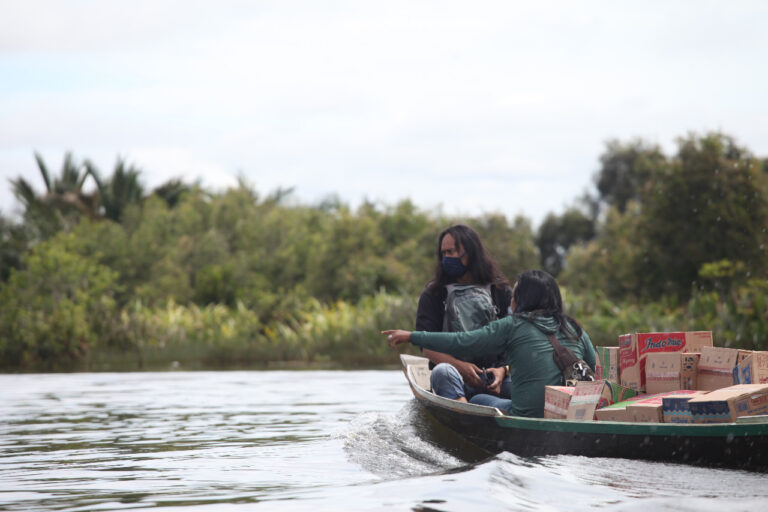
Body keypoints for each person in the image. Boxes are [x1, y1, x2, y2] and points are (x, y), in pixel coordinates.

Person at [384, 269, 596, 417]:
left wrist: (412, 336)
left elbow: (462, 342)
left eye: (514, 296)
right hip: (568, 414)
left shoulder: (513, 325)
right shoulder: (574, 327)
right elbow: (596, 369)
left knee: (477, 401)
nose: (511, 302)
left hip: (525, 417)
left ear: (523, 300)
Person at [416, 224, 513, 406]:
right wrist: (460, 368)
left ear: (471, 253)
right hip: (454, 376)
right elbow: (426, 345)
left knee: (524, 383)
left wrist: (502, 370)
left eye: (451, 252)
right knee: (441, 372)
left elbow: (514, 340)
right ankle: (464, 407)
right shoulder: (434, 293)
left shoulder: (500, 291)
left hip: (496, 378)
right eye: (443, 254)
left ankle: (485, 405)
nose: (446, 258)